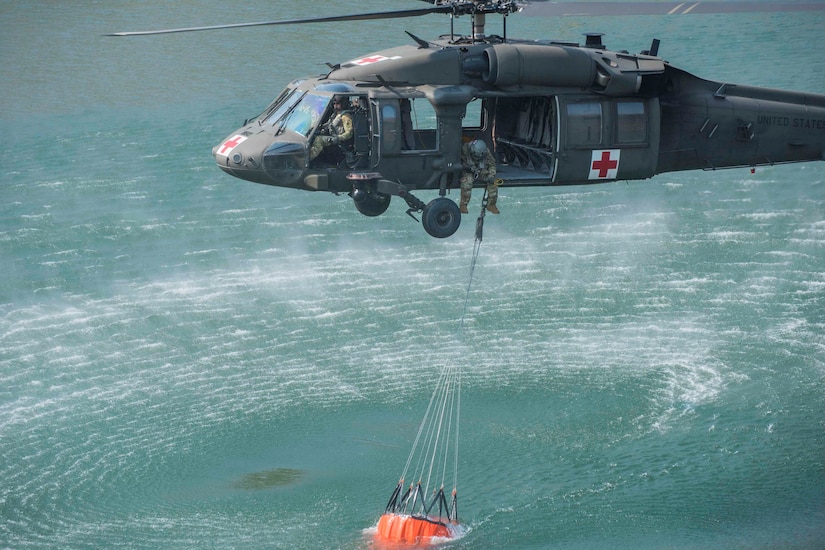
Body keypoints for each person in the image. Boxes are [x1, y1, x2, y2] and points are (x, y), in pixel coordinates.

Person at [459, 138, 499, 214]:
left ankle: (491, 204)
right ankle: (463, 204)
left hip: (480, 168)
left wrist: (491, 175)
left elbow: (492, 164)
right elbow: (458, 162)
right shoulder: (464, 149)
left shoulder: (485, 151)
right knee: (467, 182)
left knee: (493, 183)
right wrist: (467, 167)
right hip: (468, 170)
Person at [309, 95, 354, 162]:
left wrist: (338, 138)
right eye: (334, 104)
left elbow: (349, 133)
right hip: (332, 136)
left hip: (338, 141)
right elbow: (328, 125)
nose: (335, 106)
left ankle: (308, 158)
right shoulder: (335, 114)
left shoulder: (345, 116)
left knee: (319, 140)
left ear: (343, 104)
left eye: (337, 104)